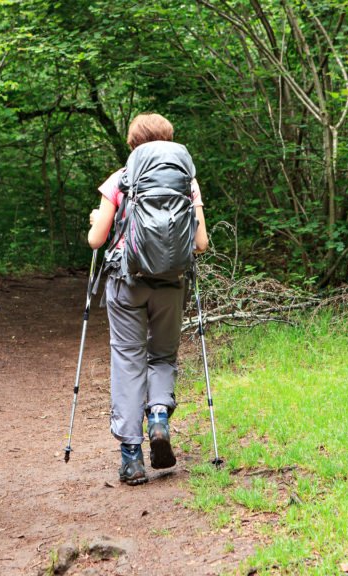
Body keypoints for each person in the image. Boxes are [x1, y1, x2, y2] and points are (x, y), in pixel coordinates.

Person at [86, 113, 209, 486]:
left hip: (128, 281)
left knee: (128, 359)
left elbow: (96, 240)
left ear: (132, 143)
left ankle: (131, 458)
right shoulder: (187, 181)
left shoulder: (120, 178)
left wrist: (96, 218)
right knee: (162, 355)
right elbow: (201, 244)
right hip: (172, 282)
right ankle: (158, 416)